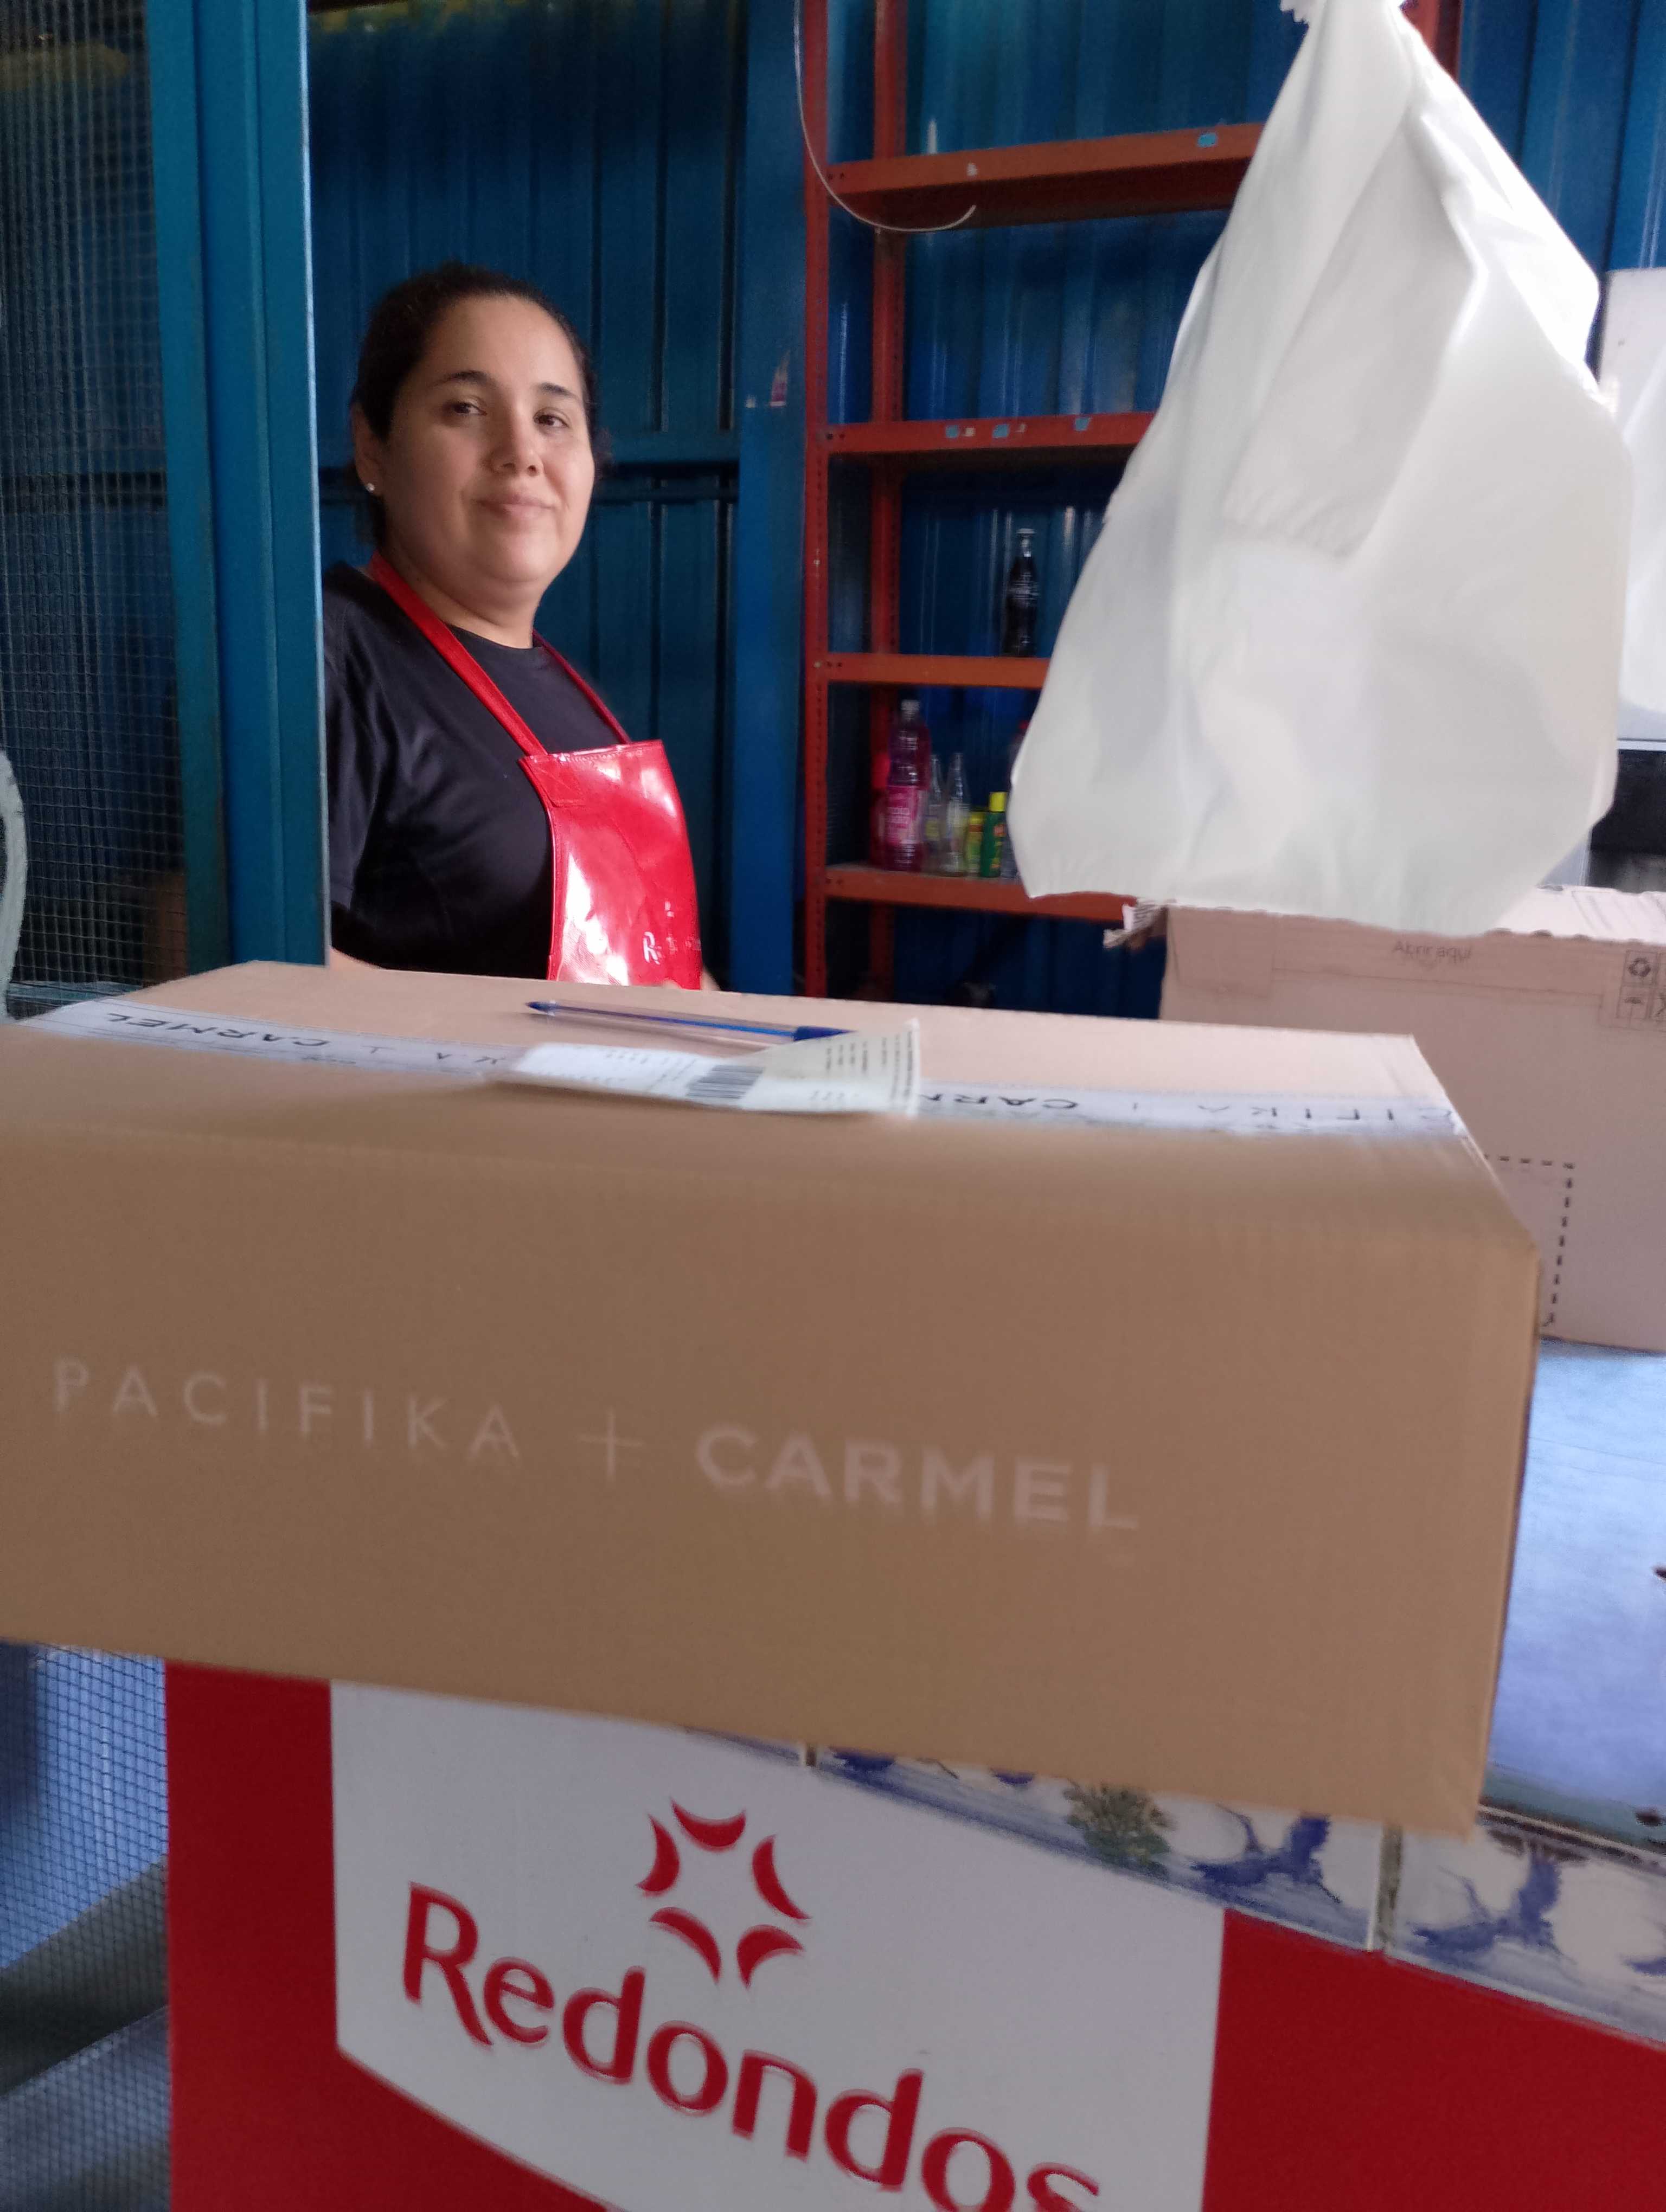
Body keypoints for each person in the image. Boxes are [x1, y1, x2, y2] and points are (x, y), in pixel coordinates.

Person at [325, 262, 703, 986]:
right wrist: (515, 1032)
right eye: (466, 408)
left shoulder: (566, 693)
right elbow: (230, 951)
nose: (522, 453)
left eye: (552, 419)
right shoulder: (334, 657)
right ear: (373, 444)